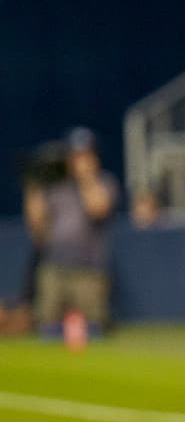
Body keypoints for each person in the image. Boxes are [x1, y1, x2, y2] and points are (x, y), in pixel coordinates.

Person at [23, 127, 119, 338]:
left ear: (94, 157)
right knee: (47, 329)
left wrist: (86, 178)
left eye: (84, 155)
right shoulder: (55, 186)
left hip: (88, 269)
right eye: (75, 156)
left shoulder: (104, 182)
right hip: (54, 267)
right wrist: (34, 185)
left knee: (94, 328)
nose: (79, 161)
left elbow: (98, 208)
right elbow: (36, 225)